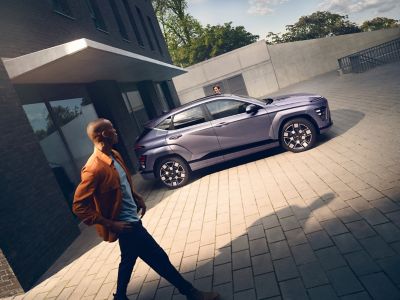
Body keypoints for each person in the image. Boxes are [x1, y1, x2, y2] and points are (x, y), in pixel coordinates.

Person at [73, 119, 219, 300]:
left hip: (131, 220)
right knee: (159, 258)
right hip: (127, 226)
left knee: (128, 259)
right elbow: (79, 206)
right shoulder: (93, 168)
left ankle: (120, 297)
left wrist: (136, 197)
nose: (116, 129)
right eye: (111, 127)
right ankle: (191, 293)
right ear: (103, 134)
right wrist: (111, 224)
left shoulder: (114, 155)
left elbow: (122, 184)